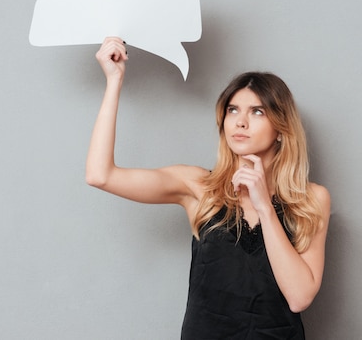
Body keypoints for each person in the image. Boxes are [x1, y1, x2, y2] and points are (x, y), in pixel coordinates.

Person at [86, 37, 331, 339]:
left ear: (281, 128)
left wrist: (265, 207)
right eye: (232, 110)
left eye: (257, 112)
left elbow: (299, 297)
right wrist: (114, 81)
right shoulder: (199, 187)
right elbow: (100, 175)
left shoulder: (311, 199)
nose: (240, 122)